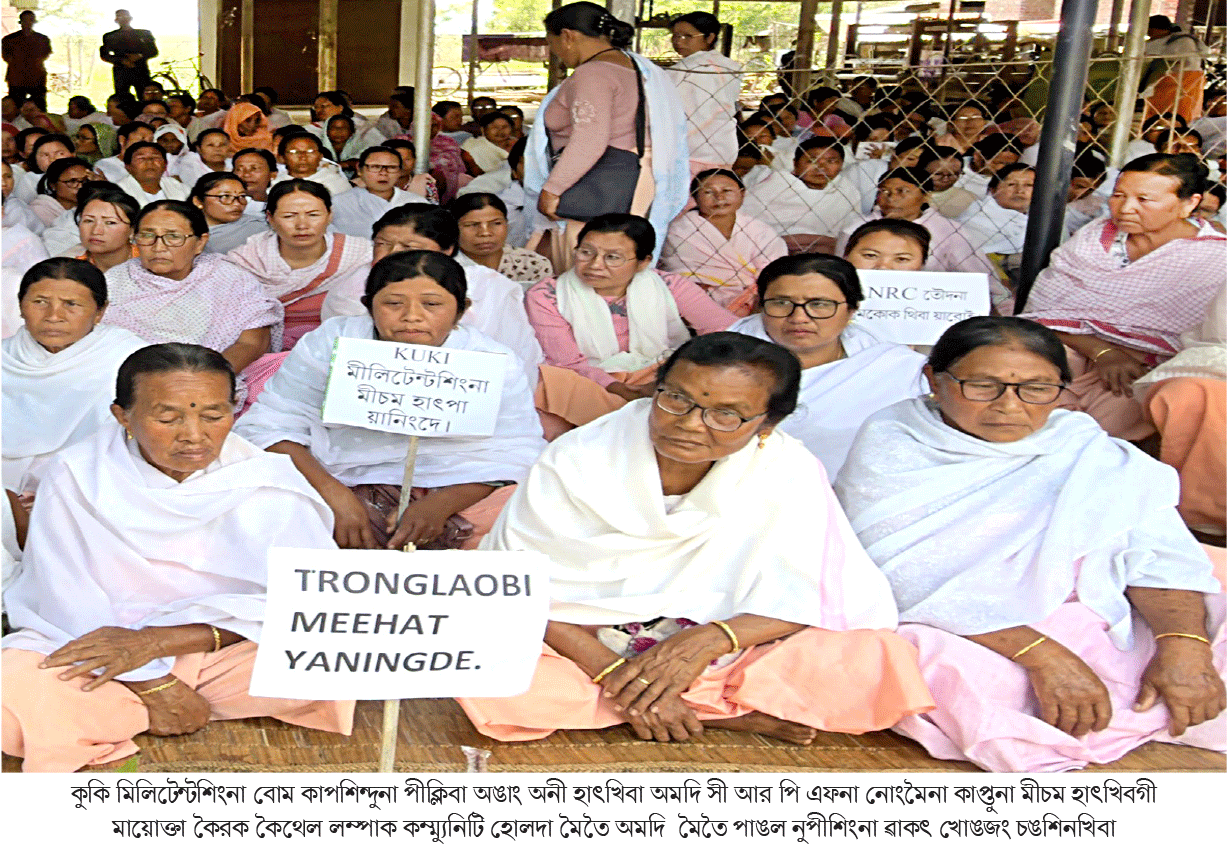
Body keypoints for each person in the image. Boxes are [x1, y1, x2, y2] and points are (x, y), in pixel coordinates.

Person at [458, 331, 933, 743]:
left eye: (726, 415)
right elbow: (516, 592)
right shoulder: (577, 457)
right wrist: (617, 674)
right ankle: (716, 711)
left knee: (877, 659)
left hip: (723, 644)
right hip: (584, 643)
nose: (689, 424)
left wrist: (708, 641)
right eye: (676, 400)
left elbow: (823, 594)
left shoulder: (787, 467)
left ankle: (656, 706)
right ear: (655, 390)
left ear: (767, 424)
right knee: (483, 660)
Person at [835, 316, 1225, 772]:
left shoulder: (1085, 447)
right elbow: (892, 576)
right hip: (968, 628)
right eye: (983, 386)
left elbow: (1158, 554)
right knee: (927, 663)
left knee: (1210, 620)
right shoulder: (894, 442)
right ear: (934, 381)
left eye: (1036, 389)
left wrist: (1182, 646)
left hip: (1096, 610)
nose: (1009, 405)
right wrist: (1042, 657)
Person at [2, 342, 353, 772]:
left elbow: (308, 600)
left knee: (333, 657)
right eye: (168, 418)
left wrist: (159, 644)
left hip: (218, 647)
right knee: (13, 682)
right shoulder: (77, 473)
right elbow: (63, 596)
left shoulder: (267, 478)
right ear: (122, 416)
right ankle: (149, 705)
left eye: (214, 416)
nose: (193, 435)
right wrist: (152, 682)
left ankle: (113, 715)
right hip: (98, 646)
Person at [235, 250, 544, 551]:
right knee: (259, 504)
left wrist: (439, 506)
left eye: (432, 304)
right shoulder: (331, 343)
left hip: (459, 487)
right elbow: (269, 427)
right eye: (393, 303)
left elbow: (517, 453)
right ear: (368, 307)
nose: (412, 316)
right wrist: (334, 495)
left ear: (461, 311)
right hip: (337, 478)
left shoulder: (492, 361)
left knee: (529, 511)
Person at [1020, 153, 1225, 441]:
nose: (1126, 208)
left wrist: (1124, 357)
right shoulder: (1094, 237)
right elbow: (1044, 313)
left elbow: (1204, 343)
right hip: (1070, 346)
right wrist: (1104, 353)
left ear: (1189, 204)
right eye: (1118, 195)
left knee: (1121, 409)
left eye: (1144, 200)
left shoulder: (1216, 257)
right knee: (1025, 375)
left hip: (1148, 365)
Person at [727, 254, 925, 479]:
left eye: (819, 304)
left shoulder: (896, 368)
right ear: (760, 306)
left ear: (852, 309)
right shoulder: (719, 361)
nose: (799, 317)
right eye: (781, 303)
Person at [526, 2, 689, 266]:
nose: (553, 52)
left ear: (567, 36)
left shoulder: (593, 72)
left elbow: (590, 140)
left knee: (588, 267)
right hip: (633, 179)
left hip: (597, 180)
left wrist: (552, 189)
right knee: (615, 267)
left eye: (551, 43)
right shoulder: (633, 67)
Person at [319, 203, 542, 381]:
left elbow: (519, 354)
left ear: (447, 250)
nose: (392, 255)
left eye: (409, 247)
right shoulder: (351, 290)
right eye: (382, 244)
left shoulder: (490, 286)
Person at [525, 213, 736, 400]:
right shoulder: (547, 296)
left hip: (665, 376)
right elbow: (566, 363)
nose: (595, 265)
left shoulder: (668, 286)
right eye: (586, 252)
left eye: (612, 257)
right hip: (588, 382)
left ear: (643, 262)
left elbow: (727, 330)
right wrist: (619, 389)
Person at [3, 258, 147, 499]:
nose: (53, 316)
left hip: (95, 488)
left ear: (100, 311)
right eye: (40, 302)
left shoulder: (129, 359)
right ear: (20, 306)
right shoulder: (4, 358)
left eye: (71, 304)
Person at [103, 200, 281, 373]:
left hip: (217, 376)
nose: (158, 247)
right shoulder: (113, 282)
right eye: (148, 235)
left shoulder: (231, 278)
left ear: (200, 242)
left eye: (173, 237)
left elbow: (252, 342)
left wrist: (207, 378)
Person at [224, 179, 370, 349]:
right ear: (270, 218)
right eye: (289, 216)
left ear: (330, 215)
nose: (302, 225)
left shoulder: (360, 254)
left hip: (338, 345)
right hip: (260, 349)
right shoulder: (246, 260)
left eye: (313, 215)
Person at [659, 168, 786, 314]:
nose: (719, 198)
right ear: (695, 197)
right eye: (708, 192)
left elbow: (775, 271)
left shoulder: (761, 230)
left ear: (742, 194)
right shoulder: (680, 231)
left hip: (759, 301)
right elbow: (680, 274)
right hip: (699, 301)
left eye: (727, 191)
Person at [740, 138, 867, 254]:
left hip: (827, 251)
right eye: (812, 161)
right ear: (795, 163)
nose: (821, 167)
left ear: (842, 165)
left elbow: (850, 231)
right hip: (773, 247)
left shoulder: (846, 189)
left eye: (831, 161)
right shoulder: (773, 185)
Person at [666, 12, 741, 175]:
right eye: (675, 36)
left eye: (687, 36)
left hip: (689, 148)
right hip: (723, 147)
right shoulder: (731, 66)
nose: (678, 41)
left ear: (710, 37)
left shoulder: (682, 70)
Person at [446, 192, 553, 287]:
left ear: (507, 225)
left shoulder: (533, 265)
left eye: (496, 223)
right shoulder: (444, 267)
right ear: (453, 228)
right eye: (472, 225)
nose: (485, 233)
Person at [329, 146, 429, 238]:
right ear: (359, 169)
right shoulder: (339, 202)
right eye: (375, 167)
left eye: (391, 167)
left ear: (399, 171)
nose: (383, 173)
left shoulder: (417, 203)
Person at [1143, 15, 1208, 124]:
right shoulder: (1185, 38)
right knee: (1186, 110)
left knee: (1167, 111)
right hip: (1191, 79)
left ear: (1155, 29)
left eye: (1149, 30)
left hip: (1176, 80)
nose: (1148, 34)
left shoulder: (1175, 41)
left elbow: (1146, 53)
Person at [189, 172, 266, 255]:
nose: (237, 203)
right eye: (225, 196)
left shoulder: (258, 227)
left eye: (242, 196)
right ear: (198, 201)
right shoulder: (186, 231)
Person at [75, 185, 140, 272]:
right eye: (89, 221)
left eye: (110, 222)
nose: (96, 231)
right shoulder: (71, 269)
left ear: (132, 230)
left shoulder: (150, 264)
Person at [99, 9, 159, 101]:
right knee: (122, 99)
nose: (123, 19)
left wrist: (140, 56)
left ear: (130, 18)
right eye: (120, 17)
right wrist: (121, 60)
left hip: (141, 71)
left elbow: (153, 51)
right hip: (121, 72)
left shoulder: (144, 34)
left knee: (145, 98)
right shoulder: (110, 36)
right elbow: (105, 55)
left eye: (125, 17)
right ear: (116, 20)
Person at [271, 132, 352, 198]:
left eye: (310, 151)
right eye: (294, 152)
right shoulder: (273, 185)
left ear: (320, 156)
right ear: (282, 157)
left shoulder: (337, 184)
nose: (303, 157)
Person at [2, 11, 53, 112]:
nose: (27, 23)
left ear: (34, 22)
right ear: (20, 22)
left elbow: (45, 54)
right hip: (16, 79)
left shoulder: (42, 39)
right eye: (25, 20)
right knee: (15, 106)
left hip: (37, 78)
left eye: (30, 20)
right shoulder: (9, 40)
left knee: (39, 106)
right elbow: (6, 57)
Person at [115, 141, 188, 206]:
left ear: (165, 165)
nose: (149, 162)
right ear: (128, 166)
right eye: (141, 158)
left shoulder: (180, 188)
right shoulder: (118, 192)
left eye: (155, 157)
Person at [28, 157, 91, 229]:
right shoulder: (40, 211)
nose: (80, 186)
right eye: (72, 181)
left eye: (86, 181)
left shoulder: (90, 204)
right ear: (53, 185)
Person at [232, 146, 276, 216]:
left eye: (254, 168)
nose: (246, 174)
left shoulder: (280, 205)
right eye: (239, 169)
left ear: (273, 174)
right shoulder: (222, 207)